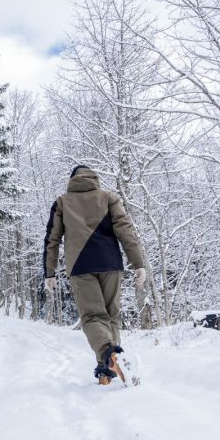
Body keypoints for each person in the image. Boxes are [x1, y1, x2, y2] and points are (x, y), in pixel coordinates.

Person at [43, 165, 146, 385]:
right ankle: (107, 368)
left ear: (72, 180)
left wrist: (49, 272)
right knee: (111, 316)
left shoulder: (62, 202)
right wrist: (138, 263)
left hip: (80, 266)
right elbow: (125, 230)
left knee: (92, 317)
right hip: (110, 263)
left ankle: (110, 357)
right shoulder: (109, 197)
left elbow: (52, 239)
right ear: (93, 178)